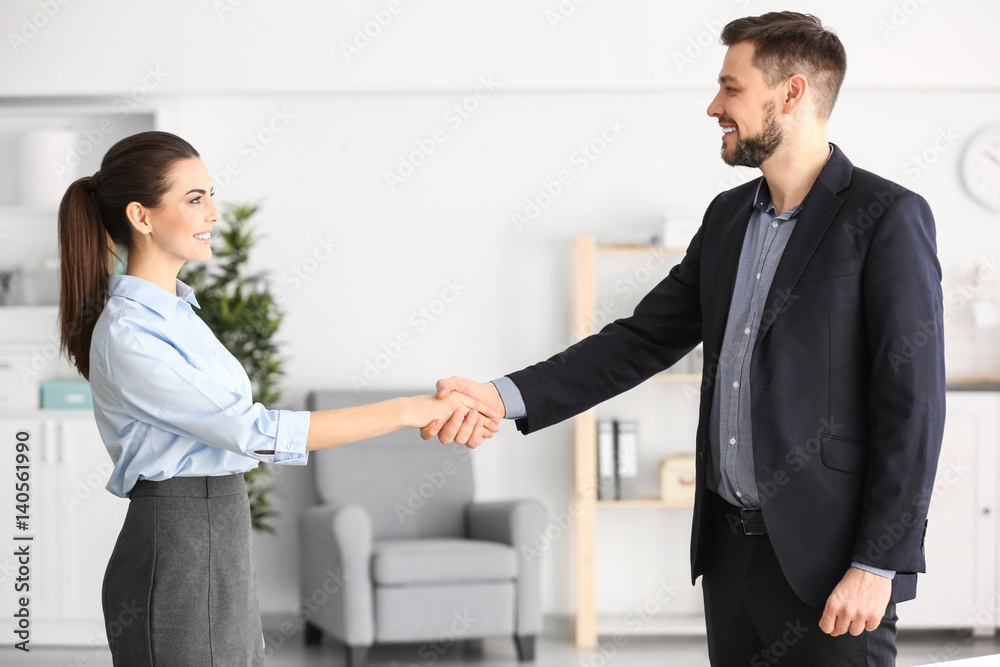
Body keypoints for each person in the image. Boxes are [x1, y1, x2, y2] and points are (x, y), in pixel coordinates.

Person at [424, 11, 945, 666]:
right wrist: (504, 397)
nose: (713, 106)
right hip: (730, 558)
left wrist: (880, 559)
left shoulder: (886, 217)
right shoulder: (728, 218)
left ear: (791, 94)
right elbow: (640, 340)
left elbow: (913, 406)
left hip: (832, 565)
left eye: (731, 88)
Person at [57, 130, 498, 666]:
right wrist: (407, 411)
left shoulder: (178, 315)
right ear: (142, 217)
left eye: (211, 194)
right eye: (195, 199)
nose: (214, 213)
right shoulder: (130, 333)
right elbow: (251, 432)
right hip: (177, 544)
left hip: (218, 526)